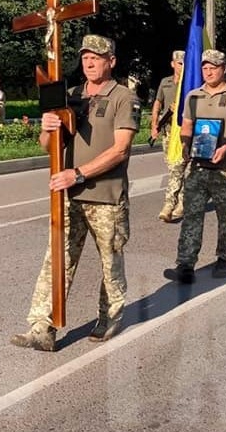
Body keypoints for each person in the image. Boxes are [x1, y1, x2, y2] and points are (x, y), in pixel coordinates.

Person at [10, 34, 137, 351]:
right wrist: (47, 126)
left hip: (106, 196)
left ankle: (109, 317)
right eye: (85, 57)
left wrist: (78, 173)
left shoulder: (123, 97)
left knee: (110, 262)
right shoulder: (70, 95)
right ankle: (42, 327)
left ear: (112, 61)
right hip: (69, 196)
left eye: (97, 56)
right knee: (57, 261)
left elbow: (121, 150)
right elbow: (46, 145)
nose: (90, 62)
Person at [165, 50, 226, 284]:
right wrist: (185, 145)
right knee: (192, 215)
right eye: (205, 67)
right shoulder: (193, 96)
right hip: (198, 166)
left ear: (224, 68)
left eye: (213, 66)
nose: (208, 71)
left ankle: (225, 257)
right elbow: (187, 126)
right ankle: (185, 264)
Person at [152, 50, 186, 223]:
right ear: (173, 64)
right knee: (173, 168)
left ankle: (171, 203)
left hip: (183, 132)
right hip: (167, 131)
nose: (182, 66)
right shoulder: (165, 82)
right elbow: (158, 103)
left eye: (184, 63)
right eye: (179, 63)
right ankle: (181, 201)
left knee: (177, 168)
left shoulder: (190, 83)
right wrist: (153, 125)